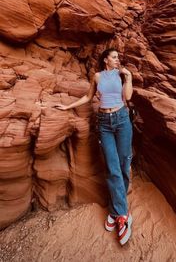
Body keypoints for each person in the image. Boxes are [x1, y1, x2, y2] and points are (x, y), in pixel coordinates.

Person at [55, 48, 133, 245]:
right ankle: (123, 216)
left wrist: (129, 78)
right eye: (114, 57)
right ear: (106, 59)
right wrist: (67, 106)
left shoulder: (121, 74)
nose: (117, 60)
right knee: (112, 167)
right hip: (104, 123)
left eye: (118, 58)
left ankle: (116, 211)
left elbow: (128, 97)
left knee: (123, 165)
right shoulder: (97, 76)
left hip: (122, 120)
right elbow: (89, 97)